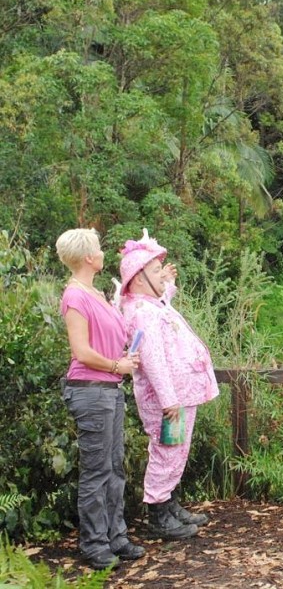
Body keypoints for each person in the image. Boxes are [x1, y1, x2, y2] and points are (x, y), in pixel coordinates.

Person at [118, 229, 219, 540]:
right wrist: (168, 400)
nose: (162, 274)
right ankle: (159, 514)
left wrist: (167, 285)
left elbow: (164, 305)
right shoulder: (142, 314)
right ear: (137, 279)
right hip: (168, 399)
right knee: (167, 449)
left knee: (177, 449)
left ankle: (170, 503)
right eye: (155, 271)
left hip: (178, 394)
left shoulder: (151, 306)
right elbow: (154, 360)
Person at [55, 228, 145, 570]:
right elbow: (80, 351)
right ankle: (94, 545)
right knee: (96, 472)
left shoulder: (94, 293)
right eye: (99, 249)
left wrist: (125, 355)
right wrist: (115, 364)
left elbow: (115, 334)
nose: (103, 253)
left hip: (110, 389)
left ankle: (116, 536)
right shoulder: (75, 296)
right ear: (89, 258)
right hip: (91, 391)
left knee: (113, 467)